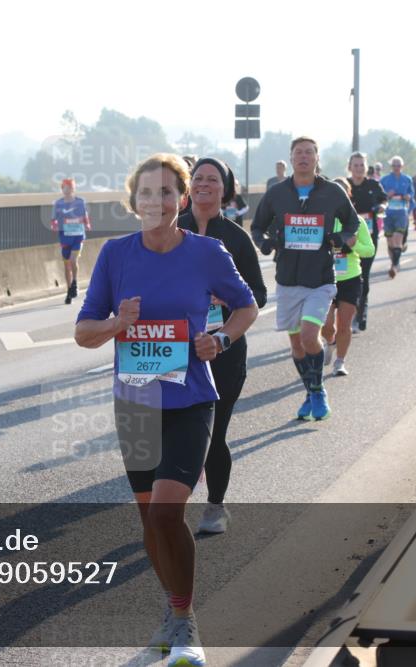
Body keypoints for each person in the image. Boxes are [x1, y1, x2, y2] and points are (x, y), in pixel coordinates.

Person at [75, 153, 258, 666]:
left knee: (166, 511)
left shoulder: (208, 252)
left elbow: (247, 306)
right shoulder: (115, 255)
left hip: (190, 399)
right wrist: (116, 324)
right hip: (136, 403)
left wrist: (220, 338)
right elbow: (82, 332)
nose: (157, 202)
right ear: (134, 201)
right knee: (149, 524)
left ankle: (184, 624)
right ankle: (172, 613)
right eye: (147, 193)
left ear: (181, 198)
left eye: (167, 192)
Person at [179, 158, 267, 535]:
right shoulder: (170, 231)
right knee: (175, 436)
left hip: (223, 351)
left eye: (212, 179)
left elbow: (258, 295)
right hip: (175, 351)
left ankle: (215, 507)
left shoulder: (234, 237)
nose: (203, 184)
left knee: (213, 437)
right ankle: (169, 511)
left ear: (225, 189)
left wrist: (223, 303)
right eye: (197, 178)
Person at [251, 136, 360, 421]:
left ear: (316, 158)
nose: (303, 157)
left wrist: (341, 239)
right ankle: (312, 390)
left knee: (311, 336)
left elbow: (353, 222)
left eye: (309, 152)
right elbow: (257, 226)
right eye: (298, 152)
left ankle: (318, 389)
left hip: (321, 279)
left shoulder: (332, 191)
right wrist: (264, 243)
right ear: (290, 158)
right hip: (287, 279)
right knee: (297, 345)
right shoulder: (277, 193)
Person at [322, 177, 375, 376]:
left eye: (343, 193)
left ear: (348, 196)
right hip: (325, 278)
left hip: (350, 279)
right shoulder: (323, 220)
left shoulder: (357, 221)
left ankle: (340, 362)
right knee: (325, 325)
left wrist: (354, 245)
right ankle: (330, 341)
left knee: (344, 325)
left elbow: (369, 250)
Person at [346, 152, 387, 333]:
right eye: (355, 165)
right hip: (348, 237)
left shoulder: (373, 185)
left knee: (364, 276)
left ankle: (360, 314)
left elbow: (384, 200)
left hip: (368, 236)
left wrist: (381, 207)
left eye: (362, 165)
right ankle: (348, 315)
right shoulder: (343, 186)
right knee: (349, 276)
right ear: (350, 167)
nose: (359, 169)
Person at [50, 178, 91, 304]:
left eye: (70, 188)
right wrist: (54, 225)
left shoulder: (80, 202)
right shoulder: (58, 204)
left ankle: (75, 283)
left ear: (74, 189)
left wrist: (87, 224)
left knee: (74, 260)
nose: (68, 190)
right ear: (62, 189)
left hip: (78, 235)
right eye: (65, 188)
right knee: (66, 265)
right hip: (64, 236)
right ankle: (69, 291)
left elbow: (85, 216)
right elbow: (53, 220)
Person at [378, 156, 414, 278]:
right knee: (390, 242)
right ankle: (394, 262)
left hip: (401, 212)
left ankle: (394, 265)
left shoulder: (407, 179)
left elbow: (411, 193)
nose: (396, 168)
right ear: (391, 167)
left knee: (397, 238)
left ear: (402, 166)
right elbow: (380, 196)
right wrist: (387, 195)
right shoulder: (384, 180)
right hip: (388, 213)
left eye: (399, 165)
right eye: (394, 165)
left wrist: (408, 196)